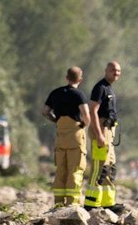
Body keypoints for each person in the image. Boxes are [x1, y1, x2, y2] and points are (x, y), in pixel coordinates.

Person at [42, 67, 98, 209]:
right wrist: (82, 125)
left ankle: (59, 203)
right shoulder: (79, 95)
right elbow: (86, 116)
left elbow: (45, 111)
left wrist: (56, 121)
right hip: (75, 136)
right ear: (80, 79)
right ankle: (72, 204)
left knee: (61, 169)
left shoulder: (55, 93)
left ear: (66, 77)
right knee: (75, 170)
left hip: (60, 135)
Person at [84, 60, 123, 209]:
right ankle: (91, 203)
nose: (116, 73)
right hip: (101, 130)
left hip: (109, 132)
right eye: (113, 70)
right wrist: (99, 134)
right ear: (106, 71)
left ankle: (108, 203)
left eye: (118, 71)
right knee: (99, 167)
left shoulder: (110, 88)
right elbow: (93, 110)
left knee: (110, 167)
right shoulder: (100, 88)